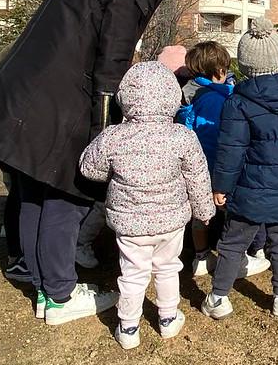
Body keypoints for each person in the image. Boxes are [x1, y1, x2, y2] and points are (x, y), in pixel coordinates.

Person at [0, 0, 167, 324]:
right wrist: (103, 134)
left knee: (33, 193)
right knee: (65, 199)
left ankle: (39, 281)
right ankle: (58, 295)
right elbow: (111, 71)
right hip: (62, 108)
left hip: (27, 102)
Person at [80, 62, 215, 350]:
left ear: (125, 97)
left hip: (130, 224)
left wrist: (113, 173)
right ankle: (167, 319)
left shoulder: (113, 136)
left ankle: (128, 327)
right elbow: (198, 176)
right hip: (171, 221)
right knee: (168, 268)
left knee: (132, 272)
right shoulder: (182, 136)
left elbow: (89, 168)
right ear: (172, 97)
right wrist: (205, 212)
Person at [201, 18, 278, 319]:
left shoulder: (237, 102)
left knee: (233, 242)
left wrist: (220, 186)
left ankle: (218, 298)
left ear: (245, 64)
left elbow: (230, 151)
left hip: (247, 190)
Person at [175, 41, 270, 278]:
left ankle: (201, 256)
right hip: (217, 164)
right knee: (229, 212)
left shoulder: (189, 93)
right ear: (219, 71)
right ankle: (233, 257)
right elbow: (221, 134)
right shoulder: (216, 99)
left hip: (195, 165)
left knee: (201, 212)